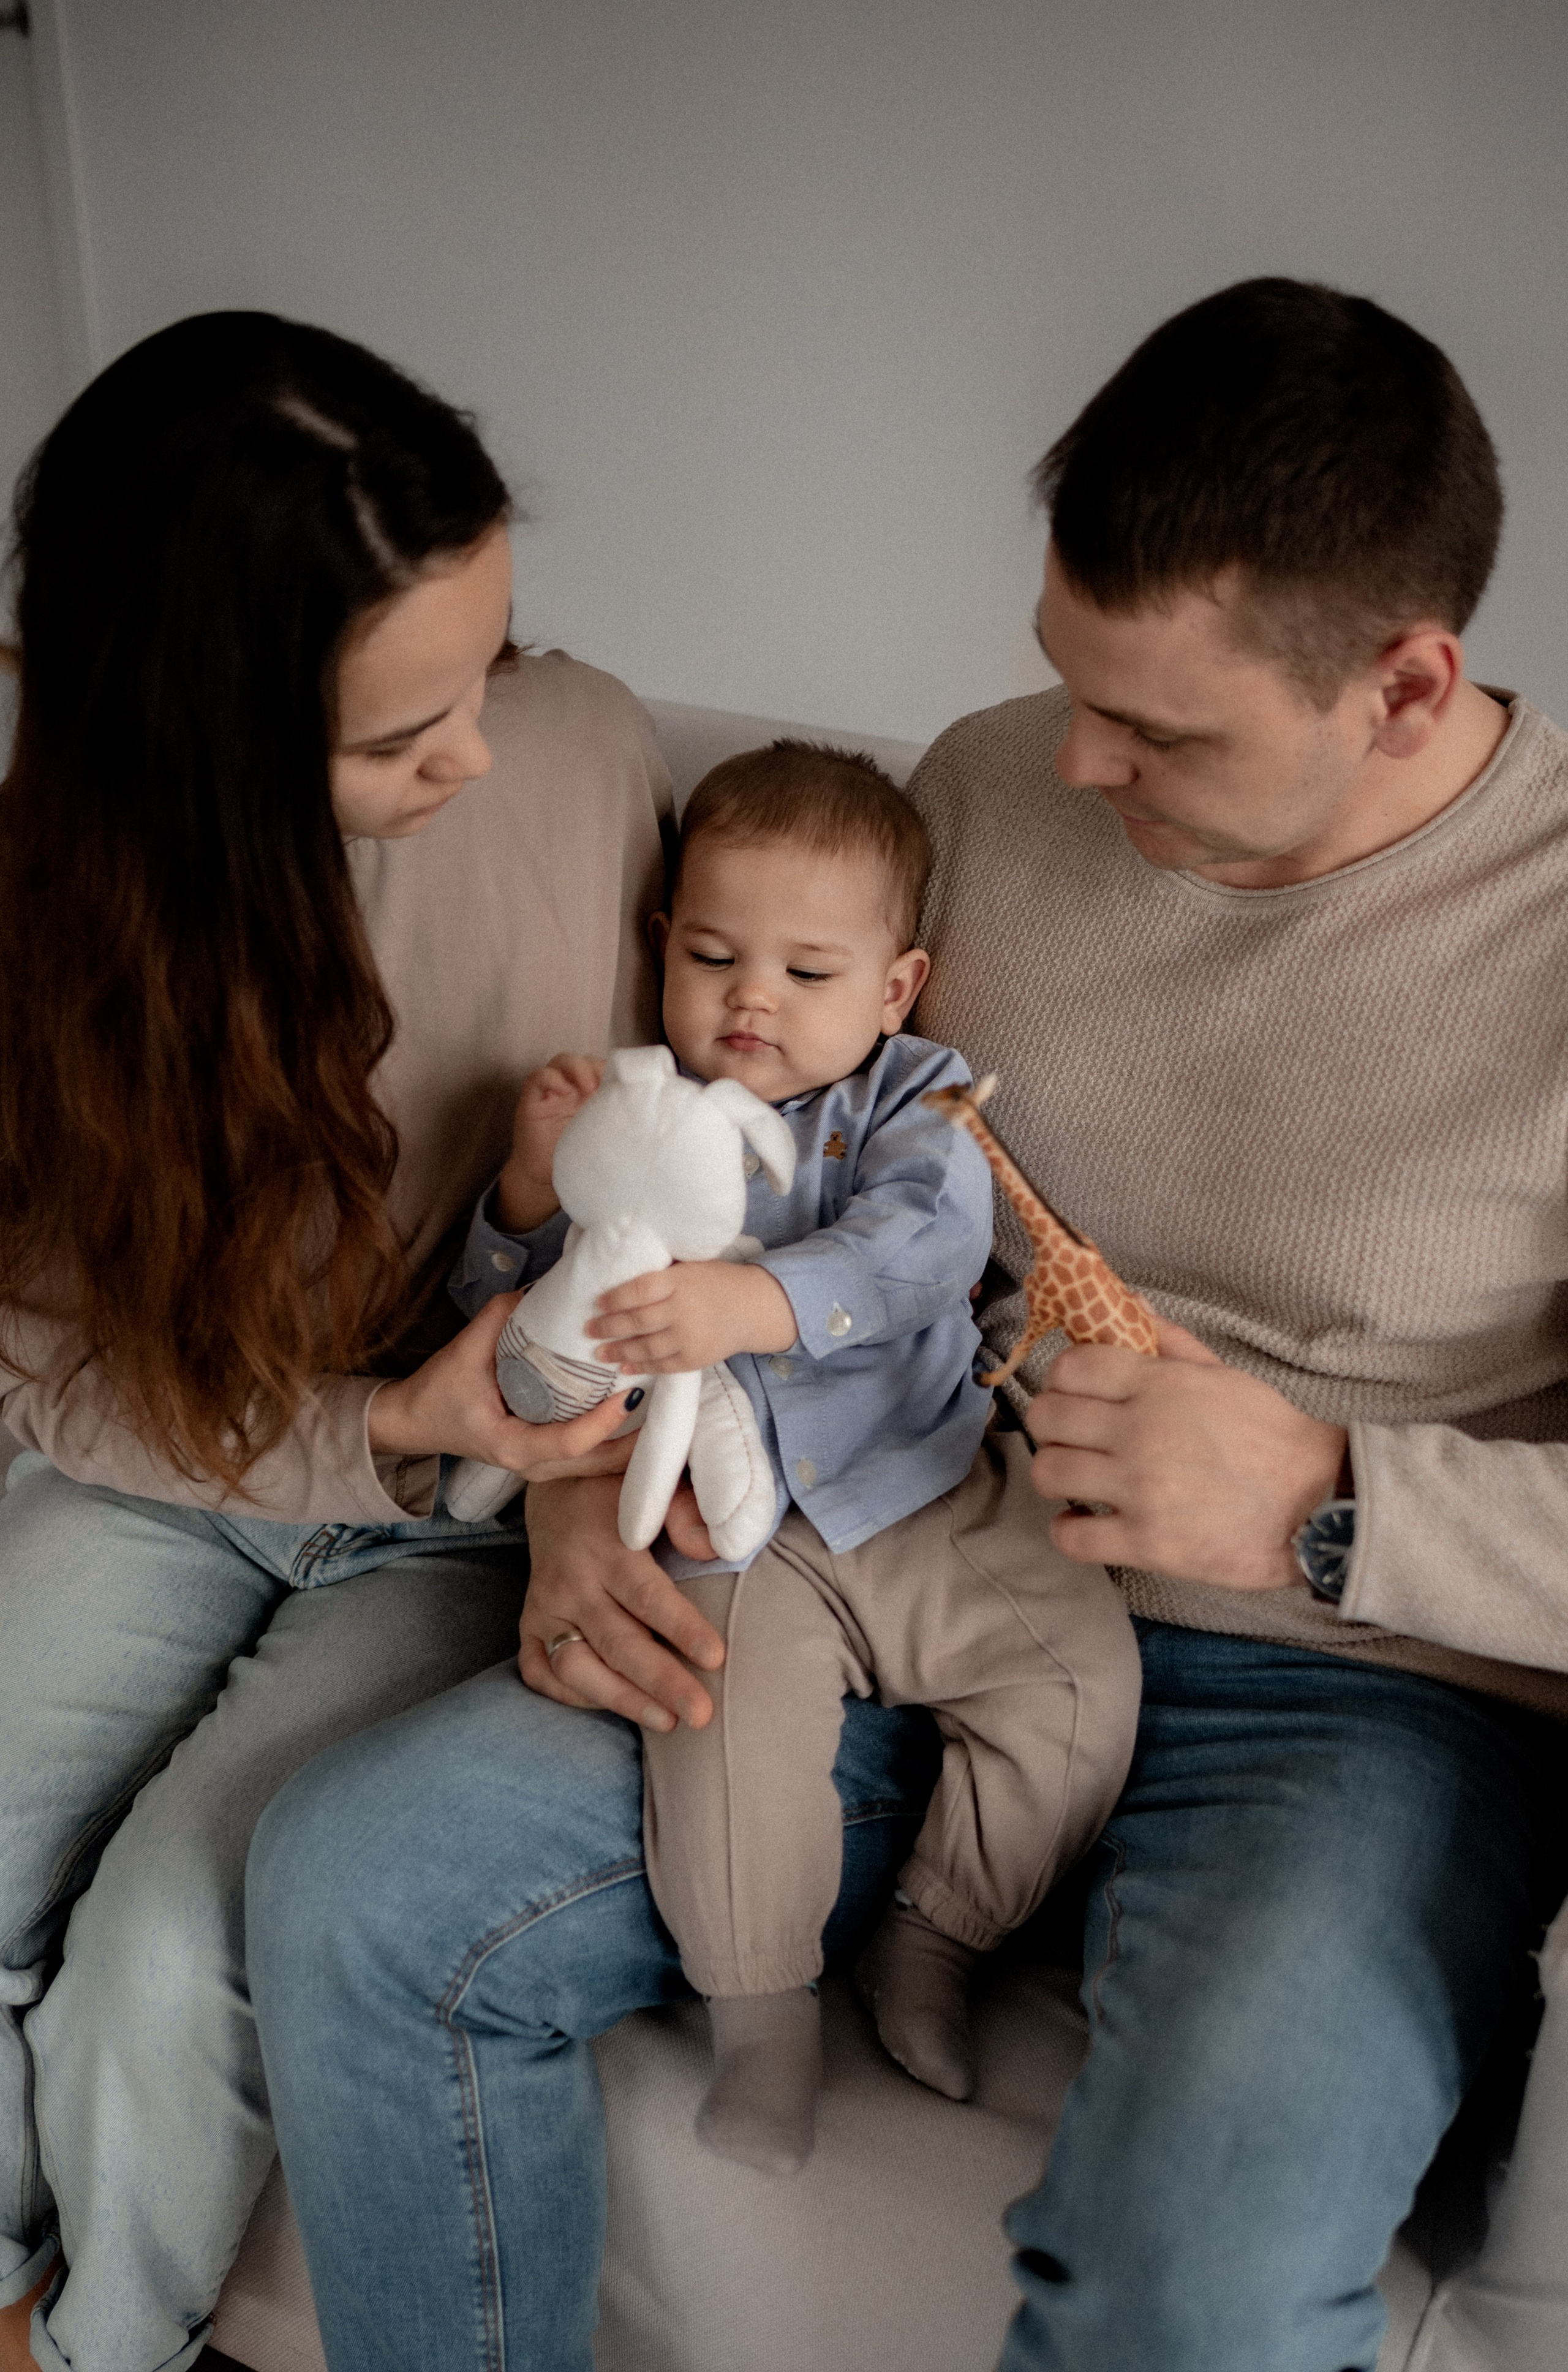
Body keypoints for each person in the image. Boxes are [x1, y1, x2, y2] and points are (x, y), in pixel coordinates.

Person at [247, 276, 1568, 2372]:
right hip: (873, 1537)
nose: (1073, 760)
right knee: (356, 1892)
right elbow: (726, 1181)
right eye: (1066, 680)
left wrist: (1331, 1496)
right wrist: (580, 1504)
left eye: (1160, 729)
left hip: (1353, 1700)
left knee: (1190, 2285)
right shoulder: (982, 785)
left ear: (1408, 683)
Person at [0, 310, 674, 2372]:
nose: (477, 748)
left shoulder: (584, 756)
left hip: (466, 1512)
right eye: (399, 737)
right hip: (177, 1468)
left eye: (488, 663)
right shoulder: (53, 908)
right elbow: (46, 1364)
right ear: (200, 750)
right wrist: (365, 1417)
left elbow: (690, 1181)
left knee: (156, 1957)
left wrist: (556, 1488)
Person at [454, 741, 1139, 2174]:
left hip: (927, 1488)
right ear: (663, 949)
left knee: (1081, 1681)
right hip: (731, 1531)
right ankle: (760, 2020)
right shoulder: (629, 1111)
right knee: (716, 1741)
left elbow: (924, 1248)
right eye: (712, 956)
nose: (750, 999)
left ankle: (935, 1936)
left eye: (807, 974)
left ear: (893, 987)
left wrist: (751, 1301)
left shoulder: (914, 1102)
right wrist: (528, 1187)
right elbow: (521, 1336)